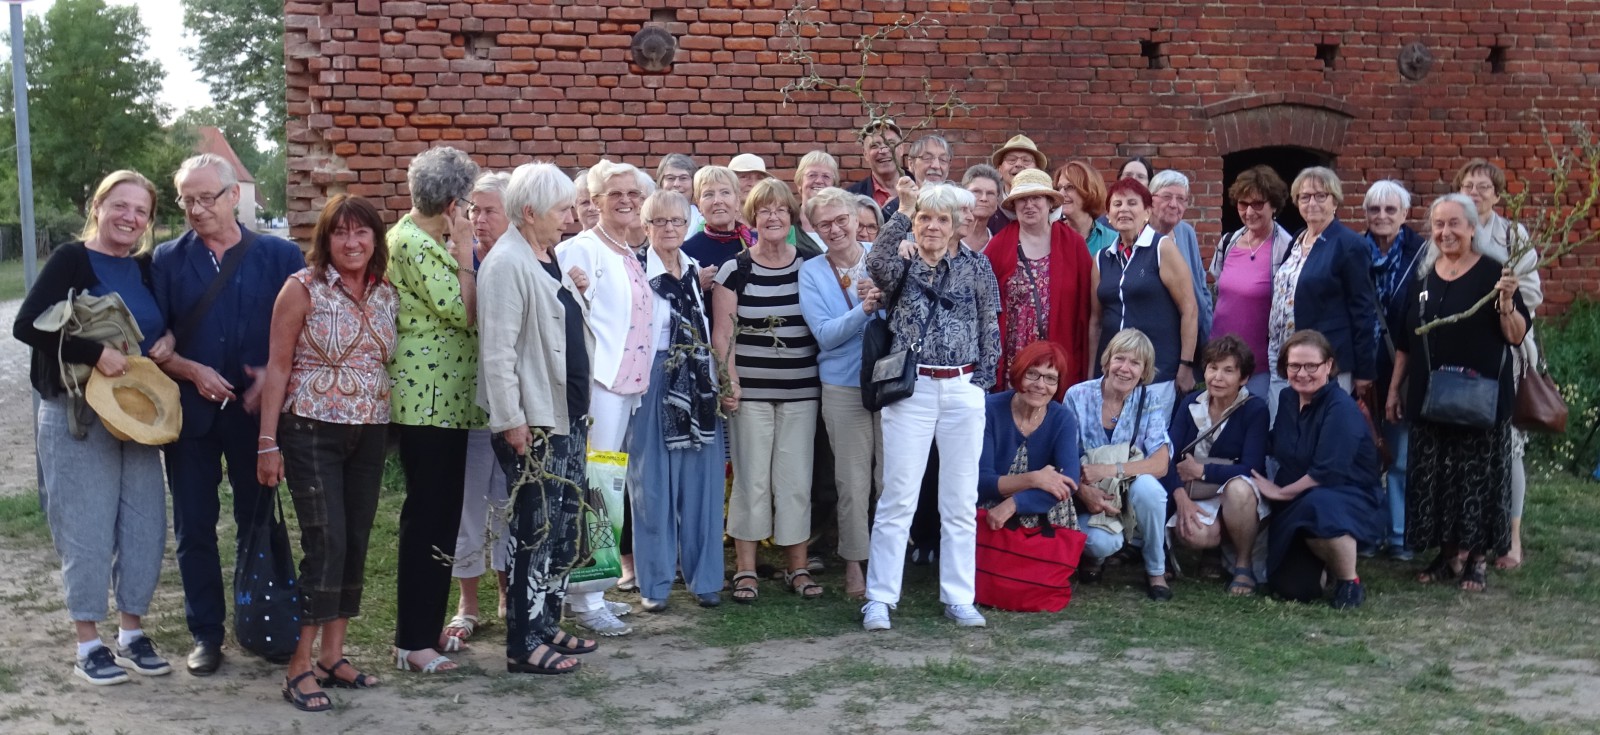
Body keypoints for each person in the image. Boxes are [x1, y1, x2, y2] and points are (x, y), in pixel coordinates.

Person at [151, 154, 307, 676]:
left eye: (206, 198)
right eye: (187, 200)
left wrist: (272, 379)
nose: (196, 210)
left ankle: (259, 620)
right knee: (194, 526)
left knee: (255, 521)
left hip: (254, 418)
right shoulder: (167, 260)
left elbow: (304, 329)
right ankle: (206, 634)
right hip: (192, 417)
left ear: (234, 196)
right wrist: (189, 369)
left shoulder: (280, 256)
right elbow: (155, 341)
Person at [14, 171, 172, 685]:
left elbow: (156, 325)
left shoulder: (145, 267)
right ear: (98, 206)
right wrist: (92, 351)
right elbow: (26, 324)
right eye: (120, 205)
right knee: (86, 530)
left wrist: (169, 339)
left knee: (145, 526)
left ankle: (131, 634)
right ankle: (87, 643)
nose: (130, 217)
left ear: (149, 220)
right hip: (78, 417)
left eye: (141, 211)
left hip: (136, 418)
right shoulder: (71, 259)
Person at [256, 195, 397, 710]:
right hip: (310, 428)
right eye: (341, 232)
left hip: (370, 430)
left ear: (375, 239)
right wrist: (267, 442)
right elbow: (277, 366)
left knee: (355, 539)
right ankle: (299, 665)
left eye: (361, 232)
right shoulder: (302, 288)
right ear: (325, 238)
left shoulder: (386, 292)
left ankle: (332, 657)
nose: (352, 242)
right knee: (327, 541)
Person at [860, 184, 1000, 631]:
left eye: (942, 219)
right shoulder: (902, 263)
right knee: (898, 496)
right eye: (925, 218)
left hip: (962, 389)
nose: (932, 227)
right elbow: (876, 262)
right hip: (912, 389)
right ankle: (880, 598)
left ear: (957, 224)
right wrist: (903, 210)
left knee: (959, 500)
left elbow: (990, 327)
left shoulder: (977, 266)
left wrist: (980, 384)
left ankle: (959, 598)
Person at [476, 161, 597, 676]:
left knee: (562, 529)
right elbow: (498, 351)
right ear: (529, 212)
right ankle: (522, 642)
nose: (570, 218)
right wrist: (511, 418)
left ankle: (547, 624)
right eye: (562, 209)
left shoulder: (546, 256)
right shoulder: (506, 263)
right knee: (534, 529)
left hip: (565, 415)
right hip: (534, 422)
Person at [1387, 193, 1528, 593]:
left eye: (1454, 223)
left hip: (1480, 396)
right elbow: (1406, 341)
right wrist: (1395, 390)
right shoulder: (1424, 275)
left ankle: (1477, 559)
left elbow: (1516, 335)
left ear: (1471, 228)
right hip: (1430, 395)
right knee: (1436, 477)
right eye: (1438, 224)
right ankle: (1448, 555)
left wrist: (1505, 303)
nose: (1445, 232)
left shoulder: (1494, 274)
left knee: (1477, 477)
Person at [384, 145, 483, 673]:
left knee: (443, 516)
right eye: (467, 203)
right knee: (427, 518)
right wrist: (466, 251)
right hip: (427, 402)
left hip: (448, 401)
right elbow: (464, 312)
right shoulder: (413, 244)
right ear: (452, 203)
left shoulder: (422, 238)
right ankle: (411, 642)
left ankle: (427, 627)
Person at [554, 159, 660, 637]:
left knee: (605, 485)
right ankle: (586, 598)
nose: (626, 201)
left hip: (625, 388)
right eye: (615, 194)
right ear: (594, 202)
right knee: (594, 487)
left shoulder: (628, 250)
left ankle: (590, 588)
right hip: (597, 387)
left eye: (633, 194)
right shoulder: (581, 248)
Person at [712, 177, 823, 603]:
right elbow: (724, 335)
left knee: (795, 481)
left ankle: (797, 567)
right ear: (752, 219)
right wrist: (730, 381)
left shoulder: (811, 265)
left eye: (780, 210)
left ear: (792, 217)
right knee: (751, 480)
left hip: (802, 391)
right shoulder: (734, 269)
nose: (773, 217)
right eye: (764, 211)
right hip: (750, 394)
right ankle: (746, 569)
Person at [628, 190, 728, 611]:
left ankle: (705, 579)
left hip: (699, 379)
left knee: (704, 483)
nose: (669, 228)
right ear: (646, 226)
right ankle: (655, 583)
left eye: (677, 221)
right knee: (652, 486)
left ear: (688, 226)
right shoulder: (634, 269)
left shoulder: (692, 269)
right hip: (652, 377)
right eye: (660, 221)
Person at [1454, 159, 1542, 570]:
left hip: (1504, 349)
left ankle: (1511, 538)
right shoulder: (1449, 227)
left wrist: (1499, 301)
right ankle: (1465, 534)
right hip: (1459, 352)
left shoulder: (1512, 235)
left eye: (1483, 187)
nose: (1475, 193)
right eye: (1468, 186)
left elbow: (1532, 293)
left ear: (1497, 195)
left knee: (1507, 448)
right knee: (1461, 447)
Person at [798, 187, 884, 599]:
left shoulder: (882, 257)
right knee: (851, 482)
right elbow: (825, 335)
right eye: (824, 224)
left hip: (888, 384)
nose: (834, 230)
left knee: (889, 480)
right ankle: (854, 563)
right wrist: (863, 310)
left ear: (855, 218)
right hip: (842, 386)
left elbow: (904, 317)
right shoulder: (811, 272)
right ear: (814, 230)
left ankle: (885, 562)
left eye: (840, 220)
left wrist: (882, 301)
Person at [1257, 330, 1384, 608]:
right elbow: (1276, 443)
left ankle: (1349, 581)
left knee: (1318, 506)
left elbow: (1326, 472)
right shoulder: (1288, 399)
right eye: (1294, 366)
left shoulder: (1341, 407)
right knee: (1293, 588)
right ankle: (1324, 564)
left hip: (1346, 496)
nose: (1302, 373)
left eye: (1311, 366)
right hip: (1299, 497)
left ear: (1328, 365)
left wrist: (1281, 493)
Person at [443, 171, 514, 649]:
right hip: (464, 399)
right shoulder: (451, 257)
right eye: (474, 210)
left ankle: (508, 590)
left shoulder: (522, 259)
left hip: (509, 402)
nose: (479, 218)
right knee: (469, 502)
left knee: (508, 499)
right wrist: (465, 254)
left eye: (490, 210)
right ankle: (467, 602)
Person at [1062, 329, 1176, 600]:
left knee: (1151, 490)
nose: (1125, 368)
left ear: (1144, 370)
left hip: (1126, 489)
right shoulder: (1077, 395)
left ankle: (1156, 569)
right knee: (1101, 544)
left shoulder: (1149, 400)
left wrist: (1111, 470)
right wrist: (1083, 491)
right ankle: (1095, 558)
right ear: (1107, 361)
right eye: (1119, 359)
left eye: (1135, 363)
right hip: (1085, 491)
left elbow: (1161, 464)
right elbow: (1062, 456)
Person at [1267, 167, 1378, 419]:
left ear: (1335, 201)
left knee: (1321, 427)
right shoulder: (1298, 239)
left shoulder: (1349, 244)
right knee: (1284, 426)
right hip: (1284, 355)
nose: (1312, 203)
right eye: (1305, 196)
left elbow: (1363, 311)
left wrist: (1364, 371)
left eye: (1321, 195)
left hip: (1325, 361)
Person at [1164, 336, 1271, 596]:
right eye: (1213, 368)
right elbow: (1168, 457)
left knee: (1239, 488)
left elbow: (1252, 468)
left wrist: (1202, 471)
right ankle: (1210, 551)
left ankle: (1243, 565)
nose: (1217, 377)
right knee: (1193, 533)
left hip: (1235, 495)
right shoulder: (1190, 403)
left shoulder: (1255, 409)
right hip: (1193, 493)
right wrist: (1180, 497)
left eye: (1228, 370)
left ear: (1244, 378)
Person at [1362, 179, 1427, 562]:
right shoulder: (1354, 251)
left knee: (1401, 456)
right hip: (1363, 368)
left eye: (1390, 210)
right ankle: (1370, 531)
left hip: (1405, 366)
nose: (1382, 216)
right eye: (1374, 209)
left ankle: (1402, 534)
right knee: (1367, 453)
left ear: (1405, 214)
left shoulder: (1423, 254)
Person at [1088, 178, 1198, 399]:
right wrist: (1091, 373)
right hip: (1112, 373)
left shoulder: (1162, 248)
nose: (1124, 209)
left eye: (1132, 203)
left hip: (1156, 373)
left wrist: (1186, 365)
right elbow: (1096, 321)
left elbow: (1190, 310)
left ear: (1147, 212)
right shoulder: (1102, 258)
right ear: (1108, 215)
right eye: (1117, 204)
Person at [985, 168, 1092, 390]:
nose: (1029, 204)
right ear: (1014, 205)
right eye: (1022, 199)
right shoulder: (998, 246)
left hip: (1057, 354)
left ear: (1050, 202)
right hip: (1012, 354)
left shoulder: (1074, 245)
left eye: (1036, 198)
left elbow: (1086, 309)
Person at [1210, 165, 1294, 400]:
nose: (1249, 212)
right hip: (1219, 359)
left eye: (1257, 204)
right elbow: (1217, 291)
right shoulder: (1228, 242)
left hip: (1259, 365)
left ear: (1273, 205)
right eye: (1243, 204)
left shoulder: (1286, 248)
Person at [977, 341, 1080, 532]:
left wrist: (1015, 503)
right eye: (1032, 374)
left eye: (1050, 378)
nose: (1040, 385)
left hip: (1042, 508)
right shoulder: (989, 409)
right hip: (990, 508)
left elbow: (1070, 481)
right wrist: (1034, 479)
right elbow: (981, 481)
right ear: (1018, 373)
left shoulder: (1063, 418)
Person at [1148, 171, 1215, 356]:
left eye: (1181, 199)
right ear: (1150, 199)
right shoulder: (1141, 235)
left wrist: (1206, 337)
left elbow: (1201, 287)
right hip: (1154, 343)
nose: (1174, 204)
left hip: (1191, 339)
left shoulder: (1186, 232)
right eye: (1167, 197)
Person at [682, 165, 751, 271]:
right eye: (708, 194)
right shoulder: (685, 252)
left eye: (725, 193)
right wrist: (698, 281)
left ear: (737, 201)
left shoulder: (757, 243)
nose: (717, 201)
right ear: (699, 205)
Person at [1053, 161, 1116, 255]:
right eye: (1059, 188)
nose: (1061, 194)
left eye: (1069, 187)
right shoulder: (1051, 235)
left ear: (1090, 191)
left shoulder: (1113, 240)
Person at [883, 134, 952, 218]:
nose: (936, 166)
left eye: (943, 159)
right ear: (911, 164)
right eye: (927, 158)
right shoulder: (894, 210)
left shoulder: (957, 205)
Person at [988, 135, 1047, 231]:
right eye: (1011, 160)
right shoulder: (988, 208)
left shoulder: (1052, 211)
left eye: (1026, 160)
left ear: (1037, 170)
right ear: (1000, 170)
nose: (1018, 164)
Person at [845, 119, 904, 209]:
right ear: (865, 154)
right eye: (874, 145)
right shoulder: (851, 198)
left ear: (901, 148)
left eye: (890, 143)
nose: (884, 151)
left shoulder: (920, 187)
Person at [960, 164, 1006, 252]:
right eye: (976, 191)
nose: (984, 198)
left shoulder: (1000, 243)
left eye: (990, 193)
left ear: (997, 201)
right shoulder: (946, 237)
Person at [656, 153, 704, 233]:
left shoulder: (704, 222)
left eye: (683, 178)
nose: (676, 184)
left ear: (694, 184)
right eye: (670, 178)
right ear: (661, 183)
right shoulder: (649, 219)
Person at [794, 150, 840, 233]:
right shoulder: (789, 220)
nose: (819, 181)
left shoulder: (842, 223)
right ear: (800, 181)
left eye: (826, 176)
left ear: (833, 184)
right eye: (812, 175)